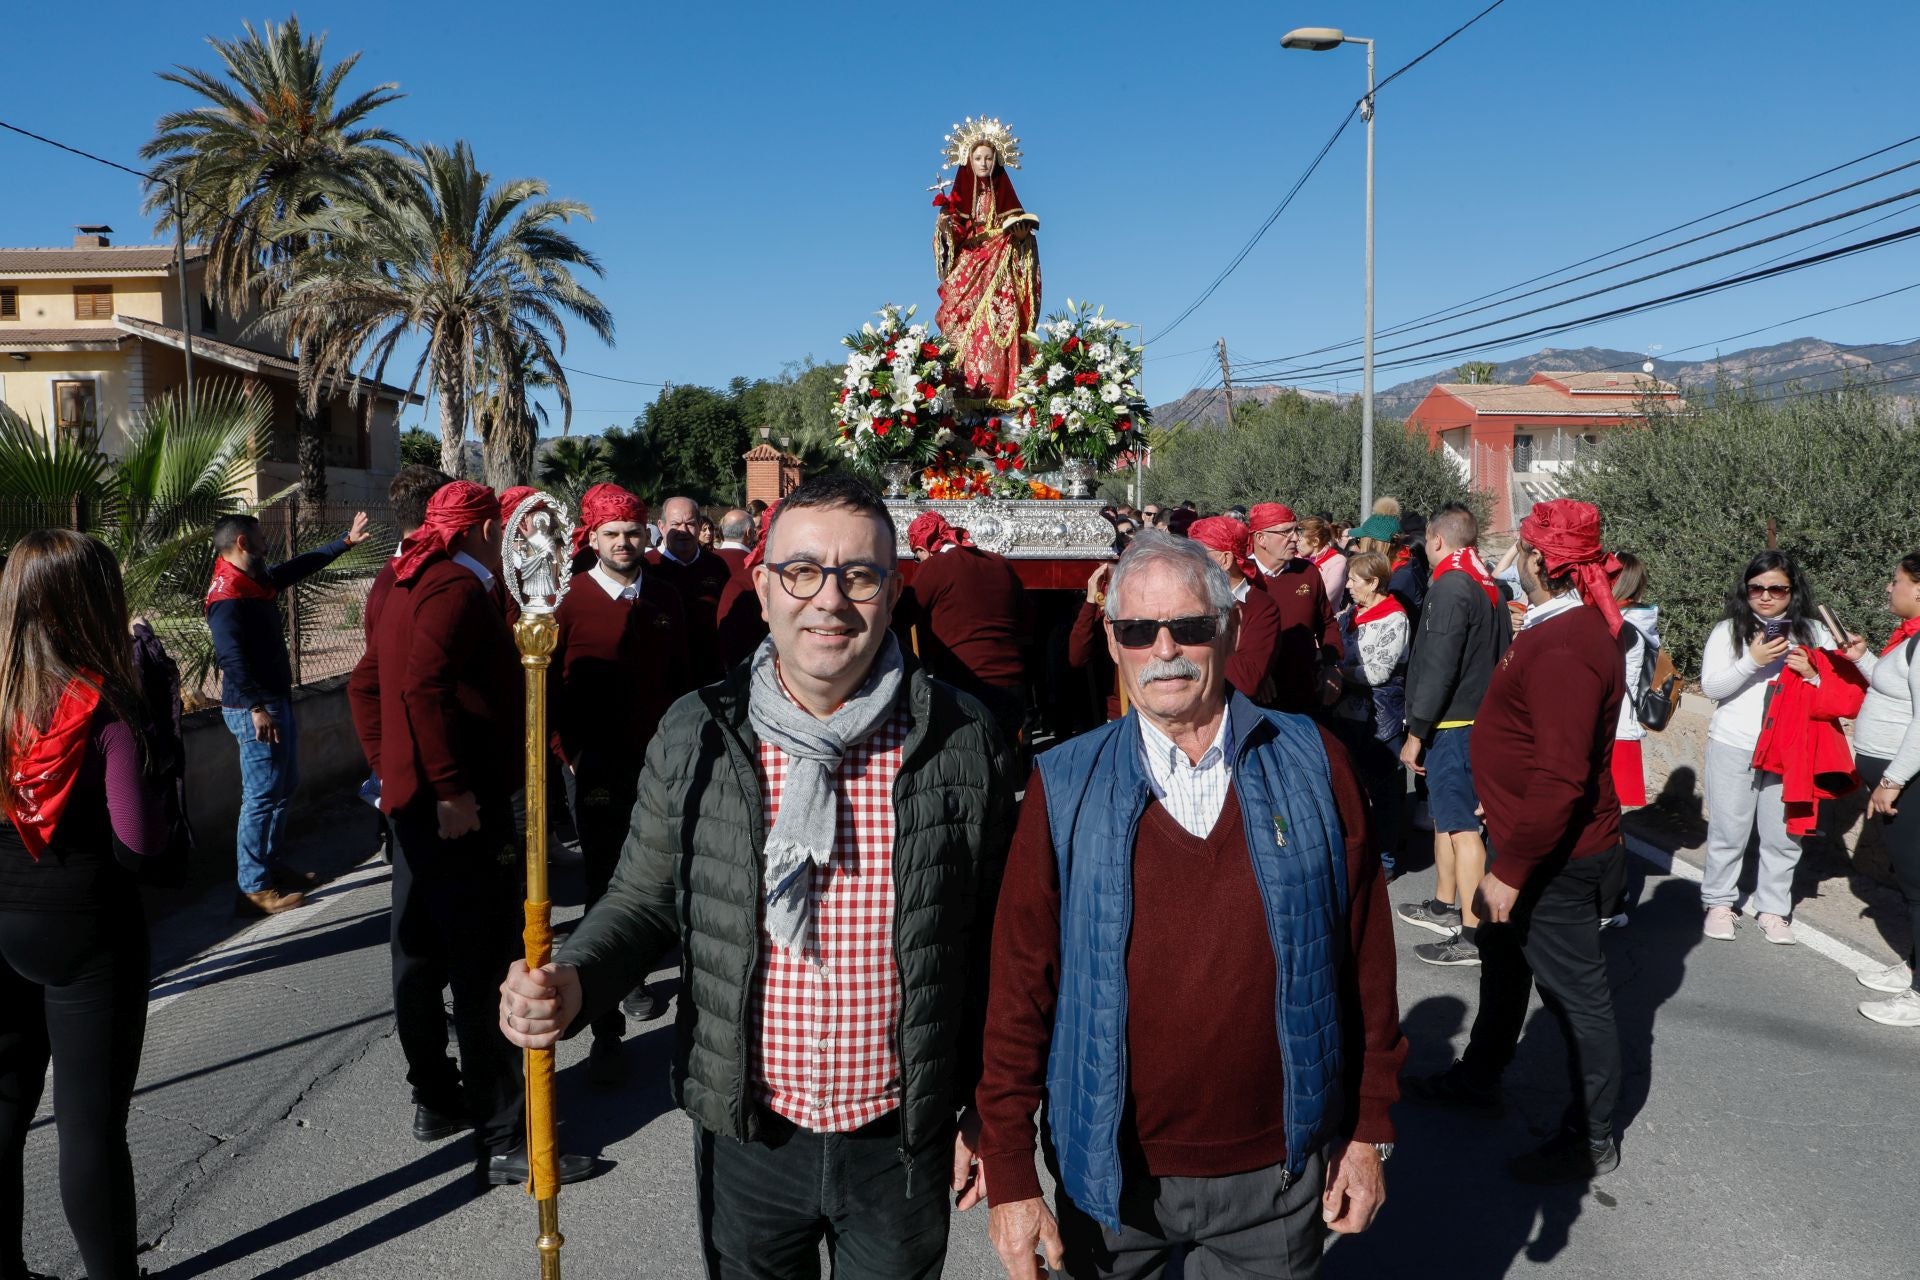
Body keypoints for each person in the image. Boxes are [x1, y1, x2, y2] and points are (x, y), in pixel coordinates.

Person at [498, 473, 1017, 1278]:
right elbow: (640, 900)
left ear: (893, 592)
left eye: (860, 575)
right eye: (803, 572)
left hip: (902, 1142)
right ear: (765, 589)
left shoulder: (960, 738)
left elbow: (997, 948)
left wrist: (990, 1114)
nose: (831, 601)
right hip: (748, 1135)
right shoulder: (700, 732)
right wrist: (573, 981)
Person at [978, 531, 1404, 1279]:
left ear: (1229, 630)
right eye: (1139, 631)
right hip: (1108, 1179)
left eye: (1191, 627)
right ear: (1113, 643)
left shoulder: (1313, 759)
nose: (1164, 649)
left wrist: (1370, 1128)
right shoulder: (1066, 781)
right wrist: (1010, 1169)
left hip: (1276, 1171)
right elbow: (1020, 983)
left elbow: (1364, 955)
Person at [348, 482, 592, 1190]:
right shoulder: (454, 589)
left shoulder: (405, 580)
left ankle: (439, 1097)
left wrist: (390, 770)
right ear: (487, 529)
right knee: (484, 969)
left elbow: (366, 688)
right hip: (455, 810)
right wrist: (448, 787)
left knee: (420, 957)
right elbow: (416, 690)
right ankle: (507, 1134)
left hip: (417, 804)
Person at [1403, 499, 1629, 1184]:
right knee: (1502, 963)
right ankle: (1480, 1076)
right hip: (1522, 837)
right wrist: (1497, 795)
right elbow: (1537, 748)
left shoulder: (1565, 644)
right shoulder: (1560, 628)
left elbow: (1561, 775)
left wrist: (1515, 867)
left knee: (1577, 1000)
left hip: (1553, 858)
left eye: (1523, 549)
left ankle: (1590, 1138)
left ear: (1536, 559)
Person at [0, 531, 171, 1280]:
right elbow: (141, 847)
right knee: (90, 1128)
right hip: (86, 933)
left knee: (4, 1108)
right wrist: (154, 717)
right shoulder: (104, 707)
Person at [552, 483, 691, 1077]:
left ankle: (650, 984)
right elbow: (549, 691)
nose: (625, 543)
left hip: (667, 768)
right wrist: (573, 756)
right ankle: (606, 1028)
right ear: (593, 538)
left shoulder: (670, 598)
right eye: (612, 534)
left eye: (633, 532)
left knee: (672, 881)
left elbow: (692, 675)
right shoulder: (567, 603)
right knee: (608, 888)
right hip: (599, 769)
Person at [205, 509, 370, 914]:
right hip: (254, 709)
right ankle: (253, 888)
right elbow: (231, 658)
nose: (266, 543)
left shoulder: (252, 581)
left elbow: (297, 567)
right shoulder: (227, 596)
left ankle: (271, 867)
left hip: (273, 701)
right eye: (260, 537)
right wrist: (257, 707)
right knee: (262, 796)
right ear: (242, 543)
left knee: (282, 788)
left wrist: (343, 543)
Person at [1697, 550, 1836, 944]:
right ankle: (1720, 902)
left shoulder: (1814, 632)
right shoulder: (1728, 631)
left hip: (1790, 747)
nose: (1766, 596)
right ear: (1746, 589)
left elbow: (1834, 690)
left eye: (1777, 588)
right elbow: (1712, 688)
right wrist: (1752, 660)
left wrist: (1811, 674)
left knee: (1782, 834)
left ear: (1793, 591)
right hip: (1734, 742)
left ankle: (1774, 908)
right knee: (1729, 829)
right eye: (1757, 587)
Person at [1398, 504, 1508, 968]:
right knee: (1447, 820)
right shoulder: (1488, 583)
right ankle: (1444, 906)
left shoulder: (1449, 586)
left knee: (1463, 828)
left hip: (1455, 725)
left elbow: (1438, 666)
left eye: (1426, 541)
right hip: (1476, 720)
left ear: (1437, 539)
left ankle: (1471, 933)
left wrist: (1416, 732)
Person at [1848, 552, 1920, 1026]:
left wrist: (1892, 781)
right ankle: (1914, 966)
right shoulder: (1909, 640)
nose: (1888, 589)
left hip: (1909, 783)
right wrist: (1864, 659)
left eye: (1895, 581)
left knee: (1918, 885)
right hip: (1896, 779)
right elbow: (1894, 692)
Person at [899, 511, 1030, 753]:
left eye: (917, 555)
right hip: (1013, 685)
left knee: (967, 769)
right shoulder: (1000, 563)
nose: (918, 563)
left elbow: (901, 617)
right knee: (1001, 768)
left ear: (926, 546)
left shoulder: (936, 567)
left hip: (964, 686)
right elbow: (1025, 620)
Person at [933, 122, 1040, 400]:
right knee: (966, 324)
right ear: (969, 160)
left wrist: (1020, 238)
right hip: (969, 266)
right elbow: (952, 240)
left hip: (1000, 266)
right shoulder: (960, 200)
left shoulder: (1004, 196)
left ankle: (1001, 388)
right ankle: (967, 387)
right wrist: (944, 227)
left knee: (1000, 321)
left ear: (997, 160)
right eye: (978, 158)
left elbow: (1020, 232)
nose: (983, 163)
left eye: (989, 158)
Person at [1334, 550, 1411, 879]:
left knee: (1383, 790)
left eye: (1353, 579)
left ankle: (1386, 859)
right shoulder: (1351, 612)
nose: (1347, 584)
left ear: (1374, 582)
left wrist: (1337, 673)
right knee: (1349, 787)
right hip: (1346, 715)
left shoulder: (1395, 618)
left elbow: (1378, 672)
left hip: (1382, 717)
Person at [1247, 502, 1342, 714]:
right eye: (1286, 532)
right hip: (1255, 700)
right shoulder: (1241, 577)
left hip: (1303, 693)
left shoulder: (1307, 572)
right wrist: (1253, 675)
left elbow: (1326, 622)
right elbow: (1226, 639)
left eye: (1295, 530)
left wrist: (1331, 665)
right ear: (1261, 538)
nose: (1296, 538)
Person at [1188, 516, 1283, 705]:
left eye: (1197, 554)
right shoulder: (1185, 599)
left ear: (1225, 559)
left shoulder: (1260, 606)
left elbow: (1245, 680)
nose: (1189, 562)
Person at [652, 495, 735, 685]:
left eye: (690, 523)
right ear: (661, 526)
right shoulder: (647, 566)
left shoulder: (716, 565)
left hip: (710, 674)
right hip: (661, 675)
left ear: (699, 525)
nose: (683, 530)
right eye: (676, 524)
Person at [1611, 553, 1660, 810]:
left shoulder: (1623, 627)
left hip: (1614, 729)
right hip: (1619, 725)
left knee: (1605, 820)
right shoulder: (1633, 622)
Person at [1300, 516, 1350, 615]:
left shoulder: (1337, 561)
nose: (1296, 542)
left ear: (1315, 541)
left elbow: (1327, 596)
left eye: (1301, 539)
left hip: (1323, 621)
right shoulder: (1295, 558)